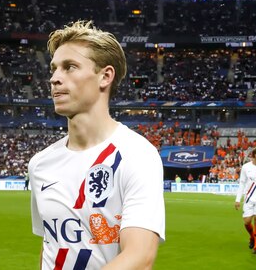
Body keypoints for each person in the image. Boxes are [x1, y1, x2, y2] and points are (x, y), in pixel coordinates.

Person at [28, 20, 165, 269]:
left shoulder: (137, 155)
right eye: (54, 68)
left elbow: (140, 257)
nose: (55, 79)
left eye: (69, 67)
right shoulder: (40, 164)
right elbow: (50, 245)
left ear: (105, 76)